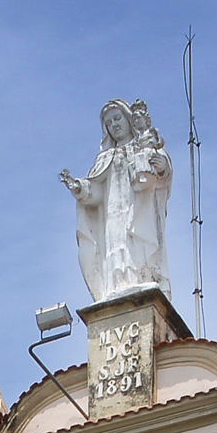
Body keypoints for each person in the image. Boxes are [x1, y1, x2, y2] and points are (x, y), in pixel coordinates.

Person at [60, 99, 173, 300]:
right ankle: (117, 287)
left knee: (137, 247)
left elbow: (162, 173)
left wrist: (162, 165)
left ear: (129, 119)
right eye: (109, 122)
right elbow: (96, 193)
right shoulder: (105, 158)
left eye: (117, 118)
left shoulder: (143, 146)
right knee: (116, 249)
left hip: (138, 210)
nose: (114, 125)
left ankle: (143, 279)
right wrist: (80, 189)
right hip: (112, 215)